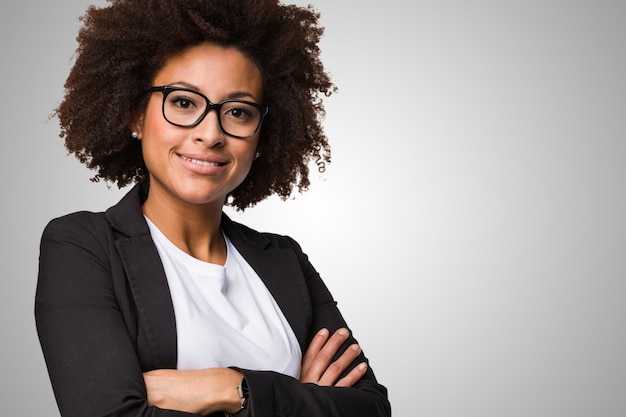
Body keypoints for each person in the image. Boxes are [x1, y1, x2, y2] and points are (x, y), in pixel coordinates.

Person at [35, 0, 391, 416]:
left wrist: (231, 388)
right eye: (184, 102)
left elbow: (370, 409)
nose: (210, 133)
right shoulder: (83, 247)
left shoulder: (284, 260)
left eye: (238, 112)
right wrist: (301, 399)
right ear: (136, 114)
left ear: (261, 137)